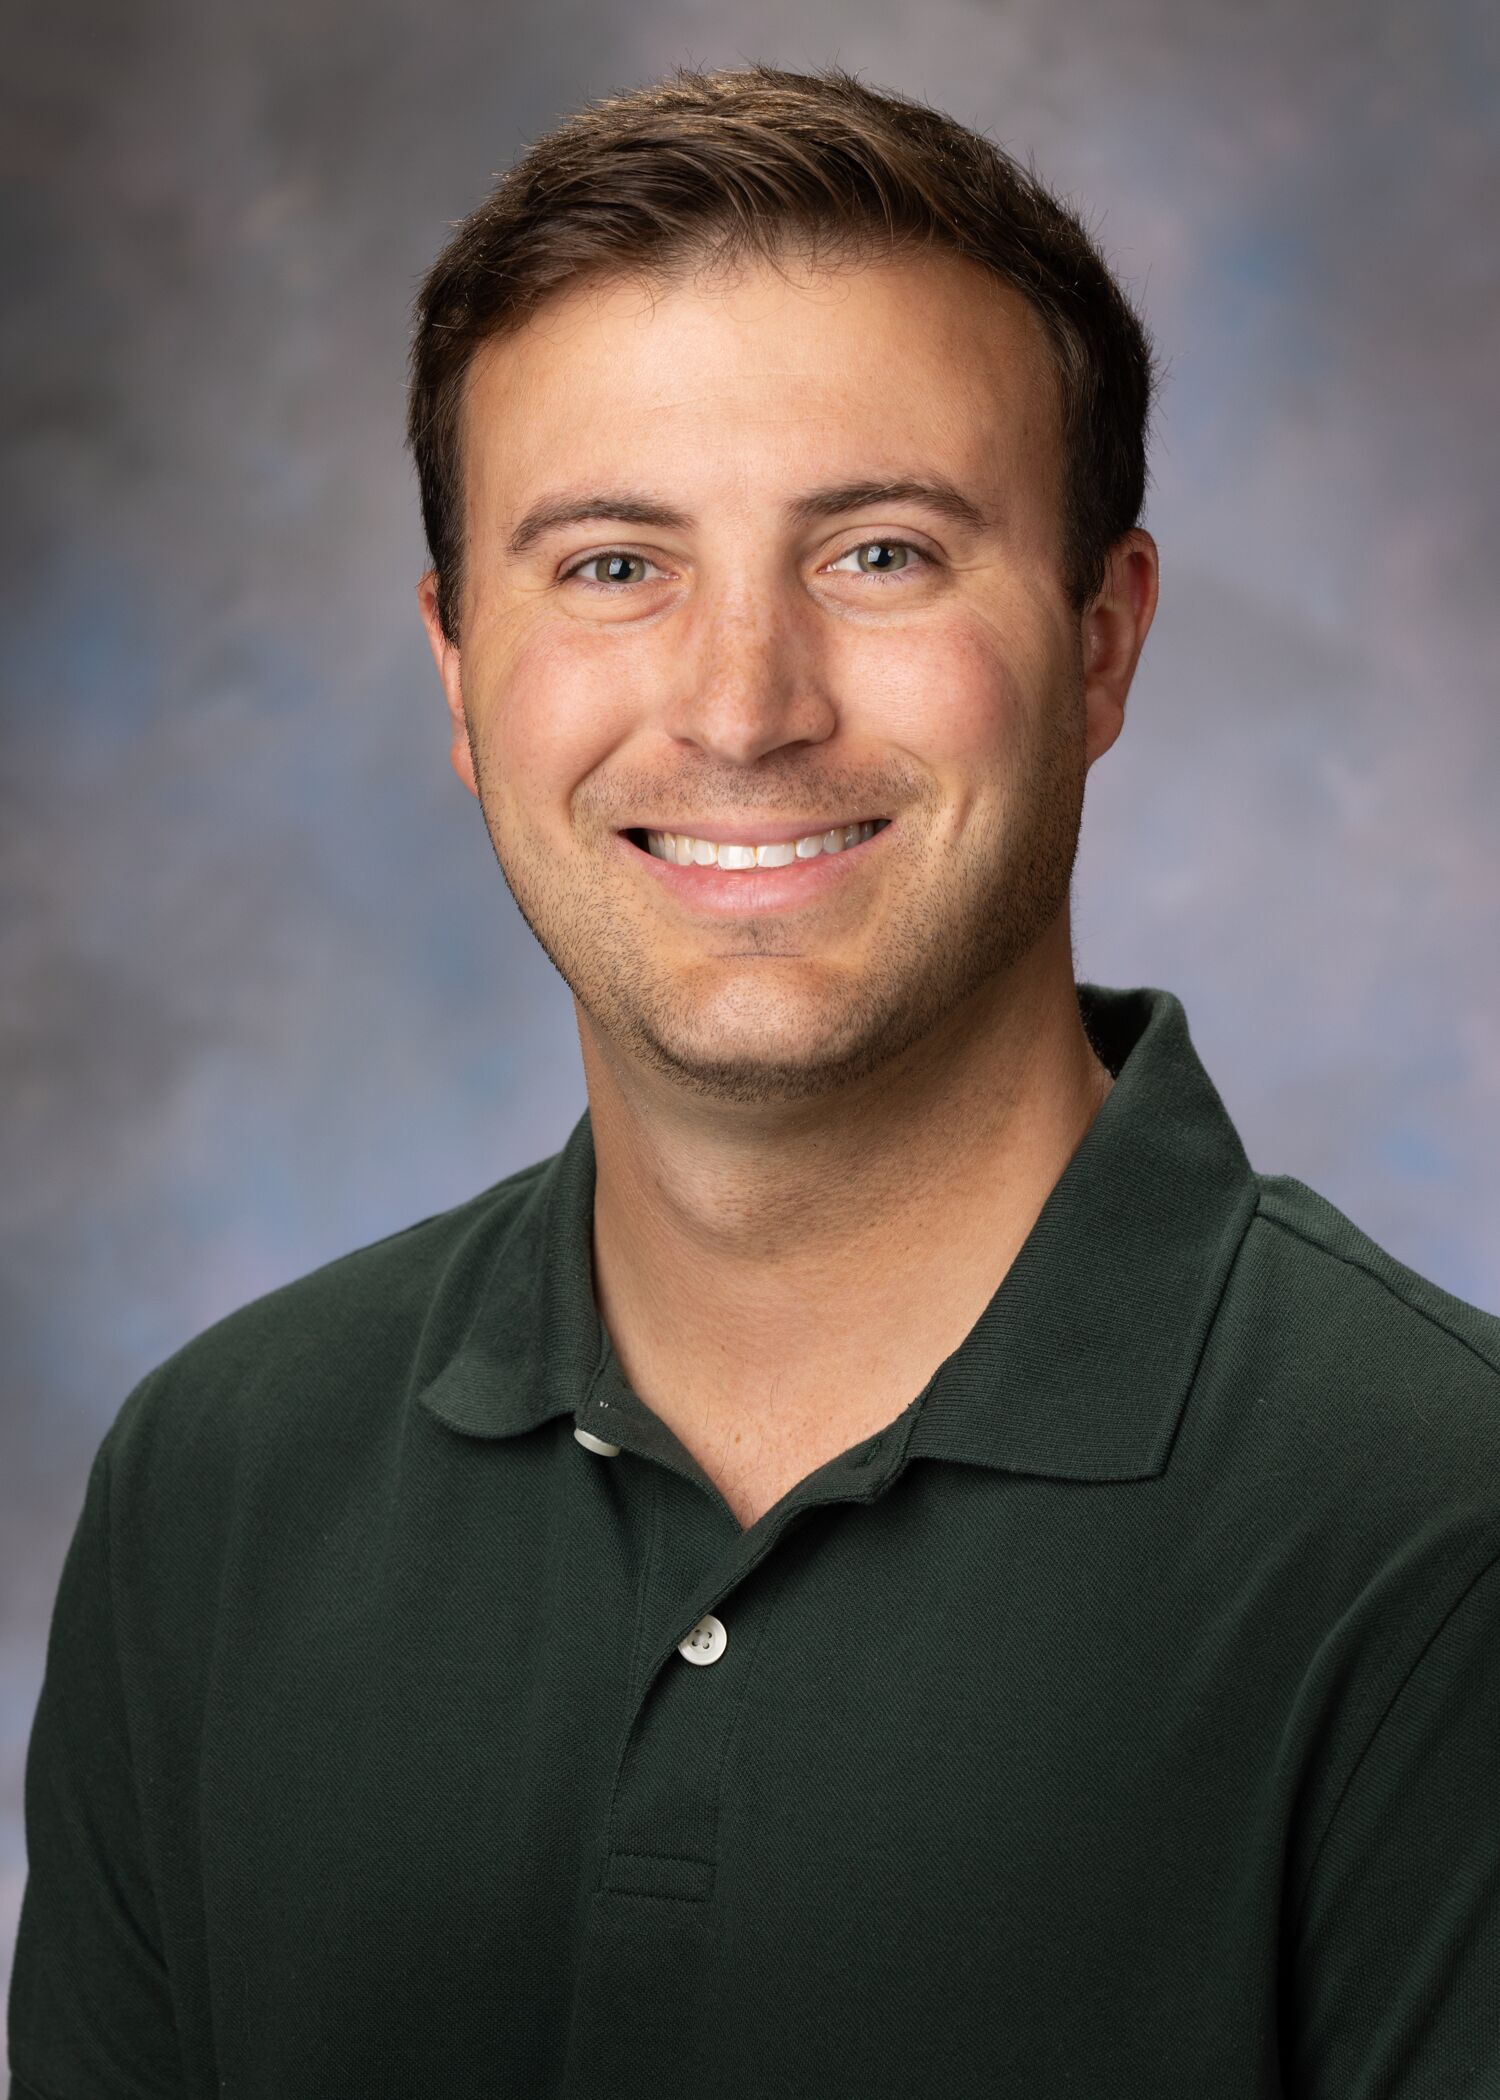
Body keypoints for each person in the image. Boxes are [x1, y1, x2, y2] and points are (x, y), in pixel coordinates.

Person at [9, 60, 1499, 2100]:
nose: (740, 705)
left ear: (1100, 643)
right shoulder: (218, 1489)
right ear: (460, 673)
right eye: (613, 565)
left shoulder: (1440, 1525)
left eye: (880, 553)